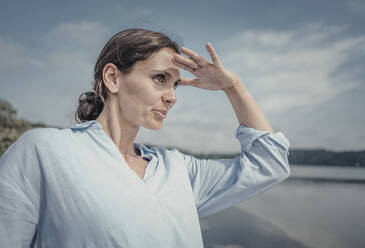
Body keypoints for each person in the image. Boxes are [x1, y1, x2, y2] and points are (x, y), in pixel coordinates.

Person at [0, 28, 291, 247]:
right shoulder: (43, 151)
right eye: (160, 78)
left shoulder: (179, 170)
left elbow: (270, 164)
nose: (173, 97)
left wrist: (233, 86)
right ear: (112, 78)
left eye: (176, 84)